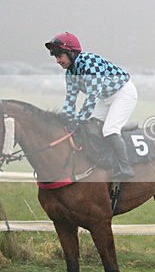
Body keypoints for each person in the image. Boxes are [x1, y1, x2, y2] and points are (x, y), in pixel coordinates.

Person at [45, 32, 137, 181]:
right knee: (91, 126)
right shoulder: (70, 73)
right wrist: (67, 119)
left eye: (59, 56)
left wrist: (79, 119)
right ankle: (104, 159)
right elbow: (70, 99)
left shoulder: (90, 63)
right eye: (55, 57)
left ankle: (125, 167)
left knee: (109, 129)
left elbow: (93, 96)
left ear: (71, 53)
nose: (57, 60)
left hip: (123, 93)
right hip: (106, 97)